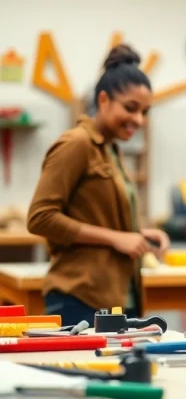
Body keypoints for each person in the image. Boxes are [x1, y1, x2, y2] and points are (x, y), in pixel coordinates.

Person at [27, 44, 170, 325]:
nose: (138, 120)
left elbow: (96, 216)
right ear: (103, 100)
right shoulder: (77, 144)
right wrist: (116, 238)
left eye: (145, 112)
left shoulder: (110, 150)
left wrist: (139, 234)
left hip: (118, 298)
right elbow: (40, 218)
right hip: (80, 298)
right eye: (130, 108)